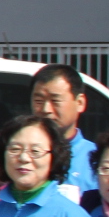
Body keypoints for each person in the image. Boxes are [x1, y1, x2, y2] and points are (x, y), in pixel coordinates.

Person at [31, 64, 99, 196]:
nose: (46, 109)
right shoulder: (20, 155)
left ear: (80, 102)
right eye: (38, 101)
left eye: (55, 101)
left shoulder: (96, 158)